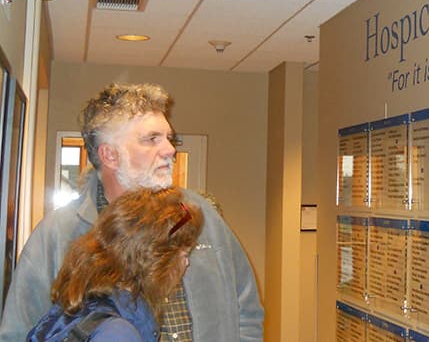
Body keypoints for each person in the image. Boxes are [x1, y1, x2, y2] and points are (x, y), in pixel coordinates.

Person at [0, 83, 264, 341]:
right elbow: (17, 331)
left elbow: (247, 310)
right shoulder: (57, 234)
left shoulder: (200, 216)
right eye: (152, 139)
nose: (170, 150)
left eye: (169, 138)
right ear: (110, 155)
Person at [27, 187, 204, 341]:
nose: (186, 263)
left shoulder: (83, 305)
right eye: (184, 254)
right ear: (152, 260)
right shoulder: (118, 333)